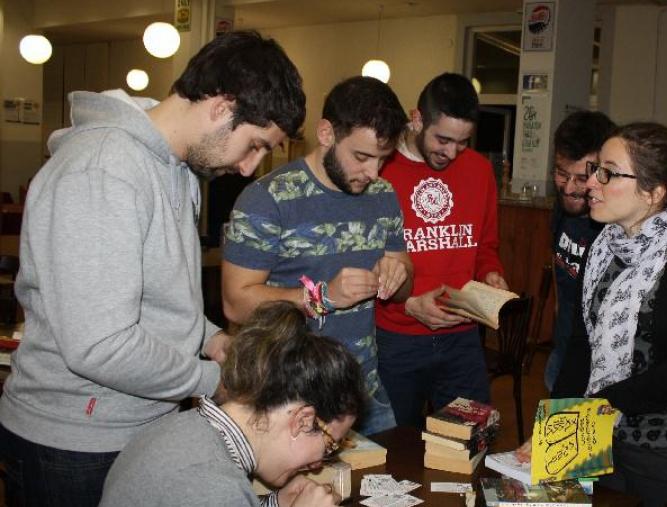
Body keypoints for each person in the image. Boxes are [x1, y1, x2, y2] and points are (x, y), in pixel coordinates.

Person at [0, 31, 306, 507]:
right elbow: (100, 345)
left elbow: (154, 300)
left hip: (139, 421)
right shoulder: (102, 169)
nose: (250, 168)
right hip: (74, 442)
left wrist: (210, 340)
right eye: (256, 145)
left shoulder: (176, 168)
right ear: (223, 107)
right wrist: (213, 381)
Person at [520, 123, 667, 506]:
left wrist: (607, 401)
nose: (590, 184)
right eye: (595, 170)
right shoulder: (603, 247)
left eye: (608, 173)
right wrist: (555, 429)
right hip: (598, 432)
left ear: (654, 192)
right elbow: (581, 347)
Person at [222, 76, 411, 436]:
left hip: (364, 394)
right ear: (326, 133)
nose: (373, 173)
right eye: (362, 156)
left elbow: (404, 287)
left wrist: (397, 274)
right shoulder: (267, 198)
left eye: (383, 160)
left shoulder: (384, 194)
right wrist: (323, 297)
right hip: (286, 400)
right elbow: (235, 303)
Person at [100, 301, 365, 507]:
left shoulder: (186, 427)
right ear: (302, 420)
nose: (319, 465)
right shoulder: (213, 486)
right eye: (329, 445)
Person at [375, 73, 507, 427]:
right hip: (395, 340)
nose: (451, 152)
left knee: (470, 442)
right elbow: (361, 261)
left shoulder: (479, 171)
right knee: (393, 451)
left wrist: (490, 273)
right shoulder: (379, 170)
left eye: (462, 142)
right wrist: (406, 302)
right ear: (417, 118)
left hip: (462, 340)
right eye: (443, 139)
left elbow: (485, 246)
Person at [544, 110, 614, 392]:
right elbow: (559, 271)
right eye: (562, 173)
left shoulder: (614, 225)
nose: (570, 188)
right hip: (562, 352)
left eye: (581, 178)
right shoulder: (563, 206)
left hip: (597, 370)